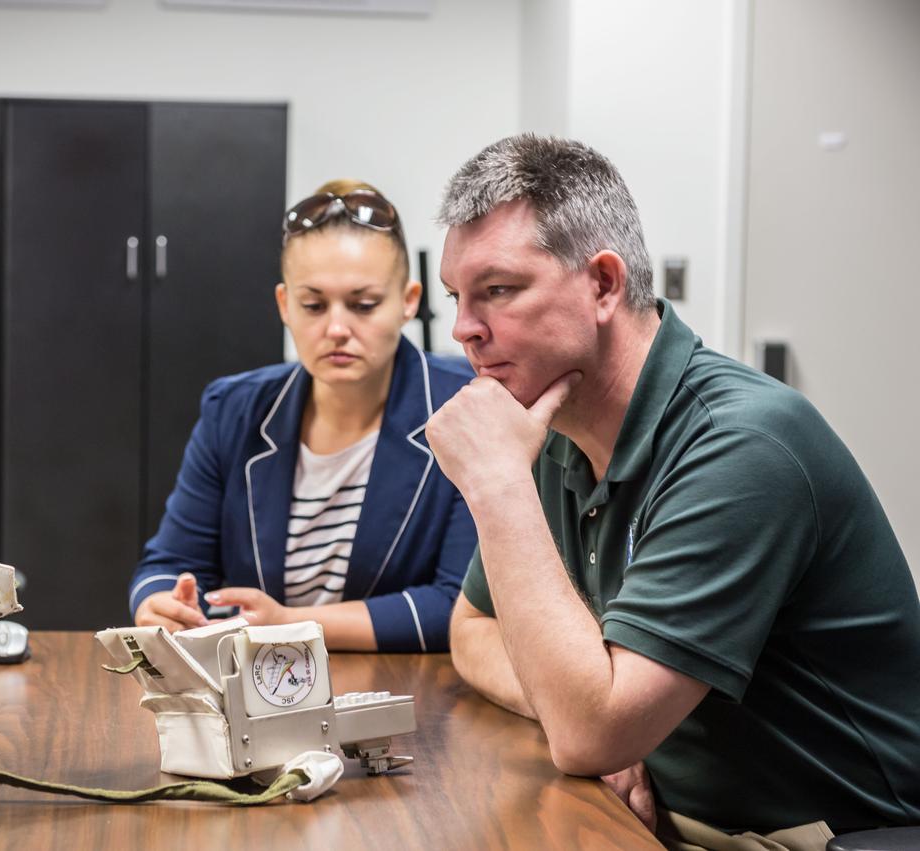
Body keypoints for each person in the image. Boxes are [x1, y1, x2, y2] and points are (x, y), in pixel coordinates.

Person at [425, 134, 920, 849]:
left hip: (836, 837)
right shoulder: (551, 423)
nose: (464, 329)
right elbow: (472, 631)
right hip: (668, 822)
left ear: (602, 283)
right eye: (456, 298)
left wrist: (497, 485)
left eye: (496, 290)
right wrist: (582, 712)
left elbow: (589, 728)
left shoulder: (744, 444)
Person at [129, 180, 477, 652]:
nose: (336, 328)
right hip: (258, 694)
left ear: (409, 301)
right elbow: (168, 563)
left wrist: (291, 624)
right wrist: (158, 604)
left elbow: (457, 606)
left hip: (410, 696)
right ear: (284, 305)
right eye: (313, 305)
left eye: (363, 304)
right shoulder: (233, 409)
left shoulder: (464, 410)